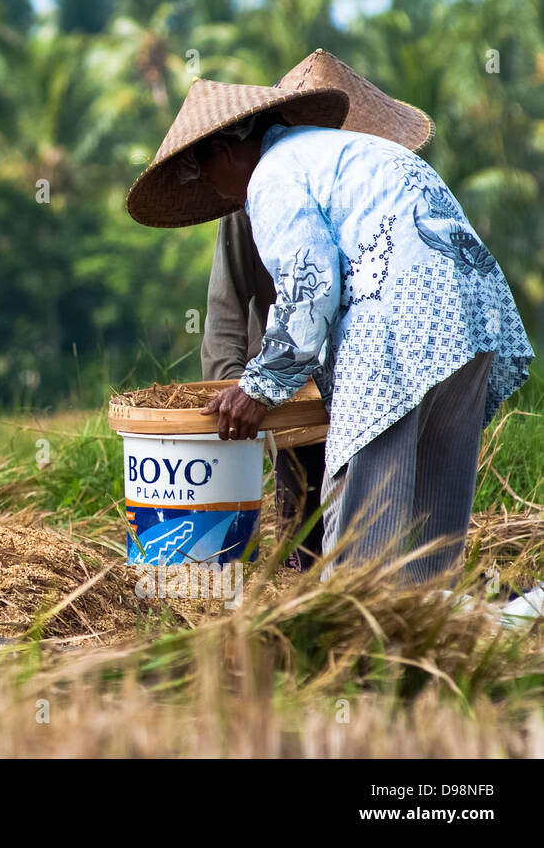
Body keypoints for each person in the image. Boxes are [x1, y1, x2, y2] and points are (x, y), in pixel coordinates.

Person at [127, 79, 533, 585]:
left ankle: (352, 642)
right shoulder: (348, 151)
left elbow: (308, 284)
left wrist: (258, 387)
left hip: (395, 328)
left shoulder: (272, 177)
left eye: (202, 171)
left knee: (362, 529)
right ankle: (431, 626)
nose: (210, 187)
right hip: (469, 323)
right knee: (432, 521)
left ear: (224, 150)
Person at [201, 50, 435, 571]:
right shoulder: (257, 195)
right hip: (293, 385)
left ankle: (387, 611)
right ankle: (321, 618)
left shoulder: (378, 185)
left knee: (390, 522)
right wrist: (237, 396)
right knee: (305, 525)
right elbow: (227, 310)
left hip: (374, 367)